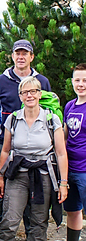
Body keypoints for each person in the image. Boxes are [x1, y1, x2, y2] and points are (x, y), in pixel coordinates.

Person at [0, 39, 51, 240]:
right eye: (18, 53)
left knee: (34, 199)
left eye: (25, 53)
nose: (21, 57)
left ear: (31, 57)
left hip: (37, 151)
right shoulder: (0, 80)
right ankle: (1, 229)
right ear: (13, 56)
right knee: (3, 192)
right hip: (6, 145)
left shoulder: (42, 81)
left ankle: (32, 232)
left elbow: (50, 111)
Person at [0, 76, 68, 240]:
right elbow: (5, 151)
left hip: (43, 176)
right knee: (9, 220)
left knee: (38, 224)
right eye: (25, 92)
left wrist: (63, 183)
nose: (29, 95)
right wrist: (1, 177)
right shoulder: (13, 119)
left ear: (40, 94)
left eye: (33, 91)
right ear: (20, 96)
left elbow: (61, 153)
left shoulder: (51, 119)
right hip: (18, 175)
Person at [63, 63, 86, 241]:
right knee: (73, 210)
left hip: (85, 171)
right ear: (72, 82)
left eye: (85, 80)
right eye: (77, 80)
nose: (81, 84)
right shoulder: (69, 106)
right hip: (69, 169)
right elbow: (64, 136)